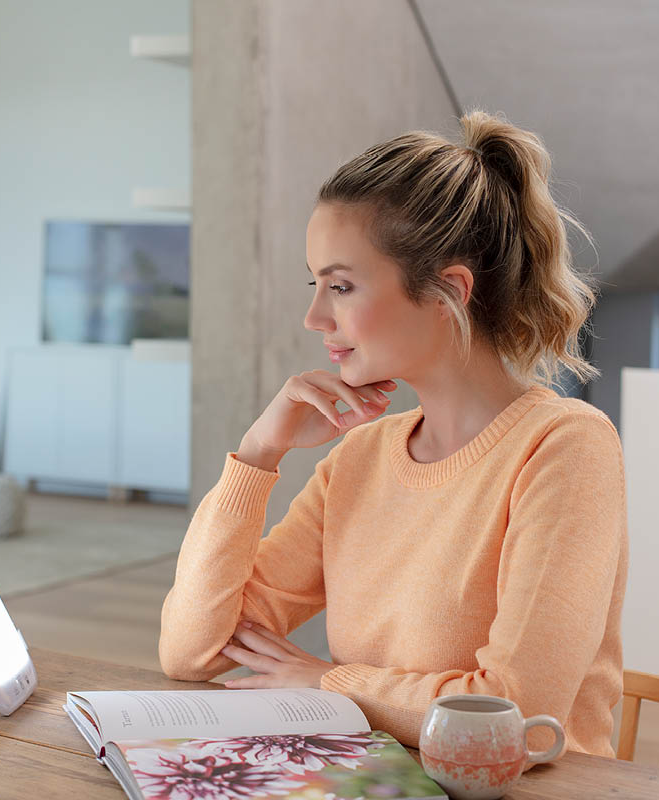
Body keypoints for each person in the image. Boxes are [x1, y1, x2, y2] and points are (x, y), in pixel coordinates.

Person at [159, 109, 628, 760]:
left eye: (341, 286)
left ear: (447, 292)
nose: (314, 316)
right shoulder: (361, 456)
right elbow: (193, 652)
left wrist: (328, 684)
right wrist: (258, 455)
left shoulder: (565, 447)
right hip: (374, 778)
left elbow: (514, 713)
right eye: (316, 284)